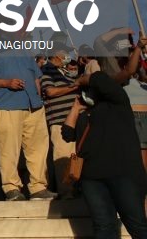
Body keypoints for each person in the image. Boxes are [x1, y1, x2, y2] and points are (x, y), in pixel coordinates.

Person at [63, 43, 147, 239]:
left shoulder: (118, 101)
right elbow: (67, 133)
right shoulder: (86, 114)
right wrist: (76, 107)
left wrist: (86, 77)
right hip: (92, 178)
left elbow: (102, 79)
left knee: (137, 225)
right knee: (103, 227)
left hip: (123, 174)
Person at [0, 31, 55, 201]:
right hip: (6, 106)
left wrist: (38, 99)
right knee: (8, 150)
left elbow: (35, 77)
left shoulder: (24, 49)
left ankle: (38, 188)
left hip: (33, 106)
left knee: (38, 149)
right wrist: (5, 83)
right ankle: (11, 188)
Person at [40, 50, 81, 200]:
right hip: (59, 121)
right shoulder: (47, 70)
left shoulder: (65, 71)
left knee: (75, 158)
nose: (67, 55)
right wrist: (75, 86)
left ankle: (76, 189)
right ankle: (66, 192)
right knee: (63, 158)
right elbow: (50, 92)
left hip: (75, 120)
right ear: (56, 54)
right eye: (64, 52)